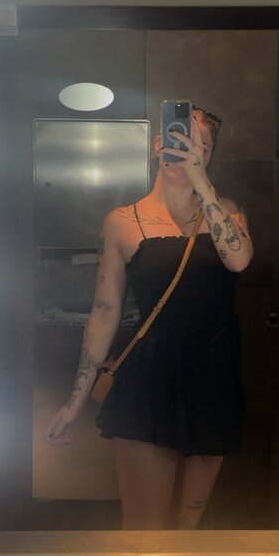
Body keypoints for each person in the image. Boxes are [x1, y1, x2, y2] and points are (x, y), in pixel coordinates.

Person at [45, 105, 253, 529]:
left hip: (213, 379)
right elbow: (104, 313)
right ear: (160, 143)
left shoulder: (226, 212)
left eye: (201, 145)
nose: (189, 150)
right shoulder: (121, 222)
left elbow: (238, 260)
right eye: (180, 138)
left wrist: (202, 185)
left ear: (210, 155)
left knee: (187, 531)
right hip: (151, 380)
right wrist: (74, 402)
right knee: (145, 532)